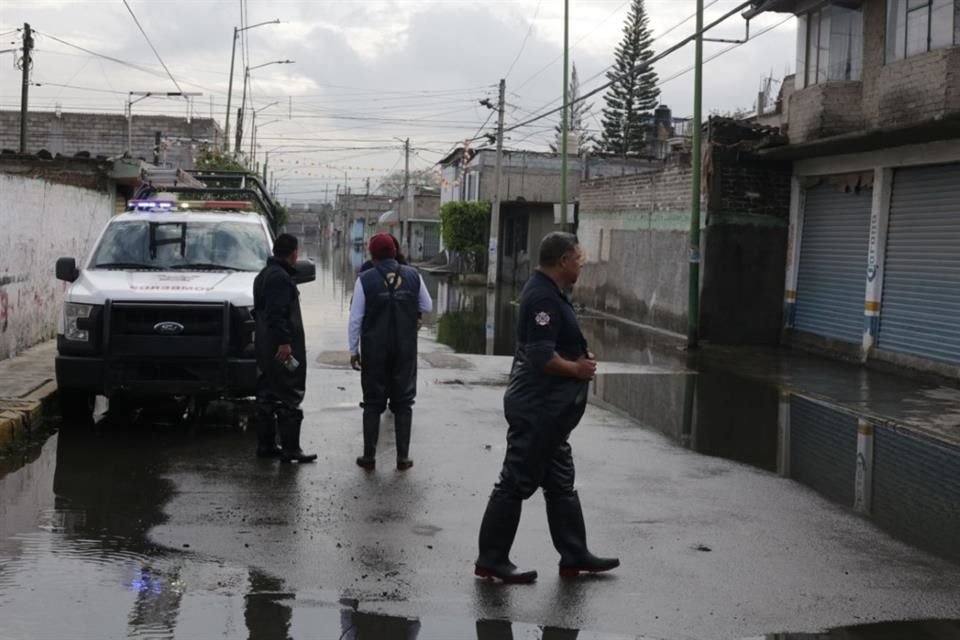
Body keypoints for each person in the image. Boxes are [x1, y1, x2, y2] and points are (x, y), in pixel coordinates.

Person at [474, 232, 619, 584]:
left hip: (552, 413)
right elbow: (540, 356)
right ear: (564, 260)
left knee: (560, 482)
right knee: (516, 480)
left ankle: (574, 555)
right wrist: (577, 369)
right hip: (537, 407)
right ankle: (491, 560)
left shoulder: (552, 293)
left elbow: (554, 347)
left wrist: (577, 359)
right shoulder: (541, 296)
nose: (581, 264)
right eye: (578, 258)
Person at [349, 232, 433, 471]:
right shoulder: (413, 275)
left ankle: (369, 457)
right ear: (394, 252)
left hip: (375, 351)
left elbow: (356, 318)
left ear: (371, 254)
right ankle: (403, 458)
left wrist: (353, 350)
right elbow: (427, 305)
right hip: (405, 349)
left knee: (373, 403)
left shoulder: (364, 279)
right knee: (404, 402)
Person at [252, 233, 317, 464]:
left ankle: (267, 446)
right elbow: (276, 314)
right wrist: (284, 343)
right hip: (280, 347)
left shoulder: (263, 275)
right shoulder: (280, 278)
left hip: (265, 345)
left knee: (267, 393)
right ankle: (291, 449)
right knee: (289, 393)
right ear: (293, 254)